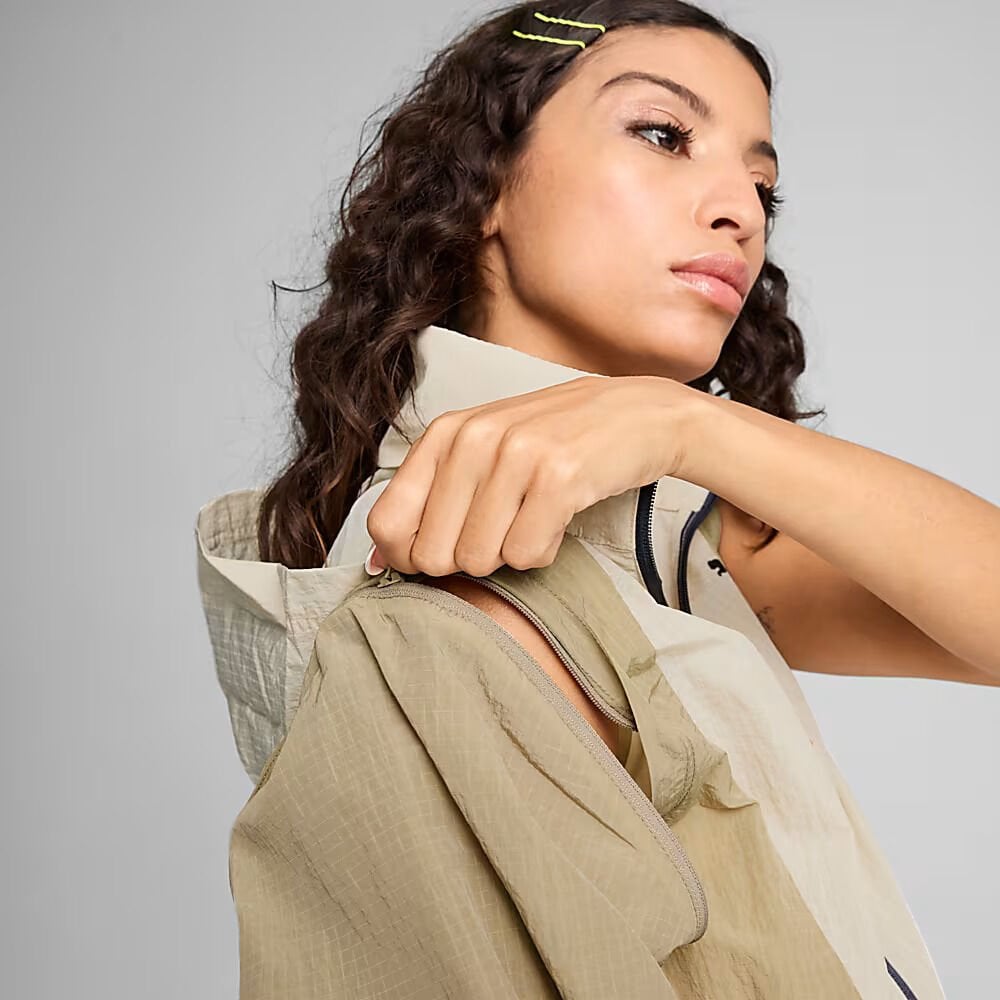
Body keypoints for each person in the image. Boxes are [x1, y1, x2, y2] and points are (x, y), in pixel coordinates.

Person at [195, 2, 1000, 996]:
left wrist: (689, 427)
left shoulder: (677, 549)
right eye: (663, 134)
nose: (742, 212)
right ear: (483, 183)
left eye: (763, 186)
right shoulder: (444, 597)